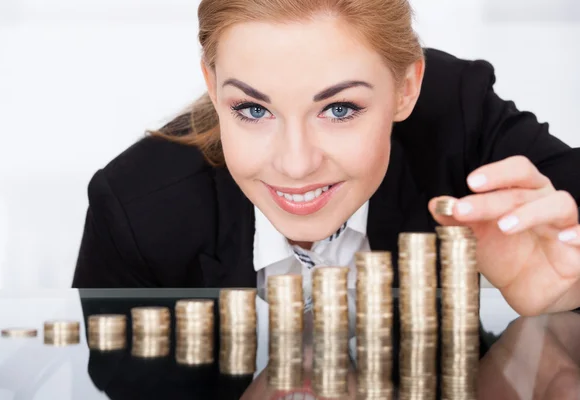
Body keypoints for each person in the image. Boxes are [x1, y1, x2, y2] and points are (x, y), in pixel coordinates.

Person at [72, 0, 580, 317]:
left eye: (339, 109)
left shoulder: (459, 114)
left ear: (407, 89)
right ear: (212, 84)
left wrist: (567, 295)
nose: (295, 164)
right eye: (252, 109)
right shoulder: (135, 207)